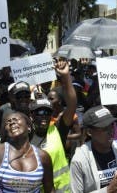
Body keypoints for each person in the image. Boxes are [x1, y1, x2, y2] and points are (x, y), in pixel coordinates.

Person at [29, 59, 77, 192]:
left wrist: (65, 76)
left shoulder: (56, 129)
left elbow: (72, 104)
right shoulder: (26, 136)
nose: (44, 115)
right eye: (40, 112)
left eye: (47, 112)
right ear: (32, 115)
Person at [70, 105, 117, 193]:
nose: (111, 131)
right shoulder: (79, 160)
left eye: (111, 126)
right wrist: (107, 191)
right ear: (89, 132)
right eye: (104, 128)